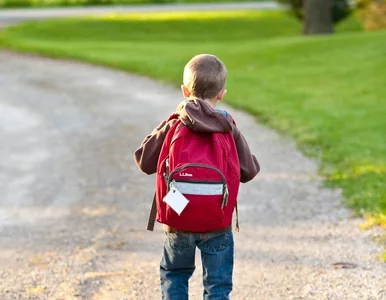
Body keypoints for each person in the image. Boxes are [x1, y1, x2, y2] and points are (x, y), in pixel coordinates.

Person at [134, 54, 260, 300]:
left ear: (184, 90)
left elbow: (144, 161)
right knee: (217, 286)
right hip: (217, 221)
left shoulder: (174, 124)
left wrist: (166, 125)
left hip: (178, 217)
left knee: (175, 275)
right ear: (222, 93)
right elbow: (249, 171)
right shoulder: (227, 126)